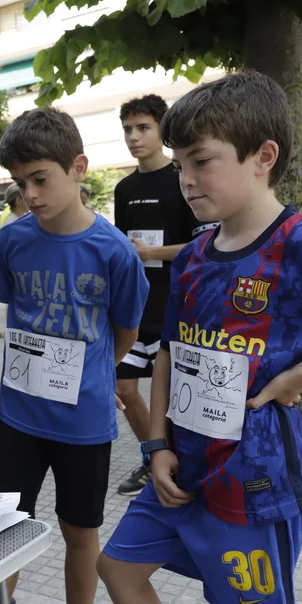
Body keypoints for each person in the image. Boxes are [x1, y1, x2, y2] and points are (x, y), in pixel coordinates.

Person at [98, 72, 302, 604]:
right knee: (118, 568)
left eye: (201, 161)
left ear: (264, 157)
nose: (185, 179)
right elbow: (169, 353)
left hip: (254, 482)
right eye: (180, 163)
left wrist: (300, 377)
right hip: (181, 466)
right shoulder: (194, 256)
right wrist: (155, 445)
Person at [0, 108, 149, 604]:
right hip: (20, 415)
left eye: (40, 179)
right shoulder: (13, 240)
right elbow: (13, 306)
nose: (30, 194)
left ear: (78, 168)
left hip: (83, 422)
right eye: (20, 183)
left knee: (80, 533)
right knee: (4, 529)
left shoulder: (114, 252)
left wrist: (99, 375)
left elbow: (125, 331)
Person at [112, 94, 212, 496]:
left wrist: (153, 253)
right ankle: (150, 455)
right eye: (127, 130)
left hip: (179, 307)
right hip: (137, 308)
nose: (133, 137)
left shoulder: (183, 179)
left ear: (162, 130)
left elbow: (206, 246)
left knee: (174, 398)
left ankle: (182, 463)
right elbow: (124, 248)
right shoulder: (124, 188)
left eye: (143, 128)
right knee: (123, 388)